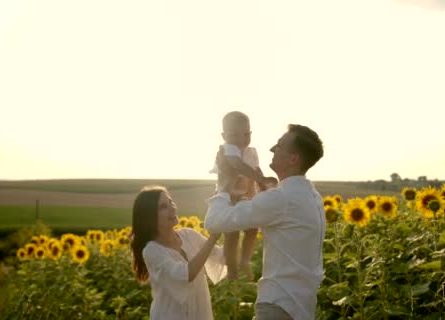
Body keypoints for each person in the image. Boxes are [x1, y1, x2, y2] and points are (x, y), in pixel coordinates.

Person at [205, 124, 325, 320]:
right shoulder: (312, 196)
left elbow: (214, 222)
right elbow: (281, 217)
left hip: (278, 306)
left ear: (293, 159)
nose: (272, 149)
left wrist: (224, 183)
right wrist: (264, 191)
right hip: (300, 306)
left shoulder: (281, 198)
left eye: (279, 146)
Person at [130, 185, 226, 320]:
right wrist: (213, 238)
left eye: (171, 202)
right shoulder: (152, 251)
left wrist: (229, 215)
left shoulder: (190, 235)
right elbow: (186, 275)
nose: (173, 208)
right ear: (149, 217)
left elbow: (222, 258)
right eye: (164, 206)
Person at [209, 111, 276, 280]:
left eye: (245, 134)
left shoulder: (251, 152)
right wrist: (260, 178)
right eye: (234, 135)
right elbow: (238, 166)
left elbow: (255, 169)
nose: (240, 139)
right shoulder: (228, 149)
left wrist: (263, 184)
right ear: (224, 136)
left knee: (252, 228)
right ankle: (232, 269)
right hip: (229, 198)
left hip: (247, 195)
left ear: (251, 133)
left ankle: (245, 260)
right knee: (231, 234)